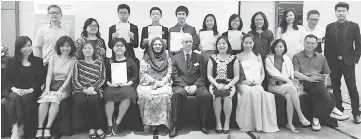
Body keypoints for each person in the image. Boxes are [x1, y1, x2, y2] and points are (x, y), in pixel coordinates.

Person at [293, 34, 350, 131]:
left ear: (316, 45)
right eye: (308, 43)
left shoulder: (321, 57)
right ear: (304, 43)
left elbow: (327, 73)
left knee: (318, 93)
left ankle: (316, 119)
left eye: (312, 43)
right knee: (319, 86)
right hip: (304, 82)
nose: (309, 45)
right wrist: (309, 78)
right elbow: (295, 73)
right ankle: (332, 108)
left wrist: (321, 78)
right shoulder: (297, 56)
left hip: (318, 83)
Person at [324, 2, 361, 124]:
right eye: (338, 11)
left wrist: (355, 59)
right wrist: (327, 64)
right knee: (335, 88)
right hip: (333, 63)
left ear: (347, 12)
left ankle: (356, 113)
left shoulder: (354, 26)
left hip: (348, 63)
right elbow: (327, 47)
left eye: (343, 11)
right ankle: (338, 111)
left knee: (352, 88)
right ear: (335, 12)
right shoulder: (329, 27)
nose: (341, 13)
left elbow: (358, 44)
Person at [169, 33, 212, 138]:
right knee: (177, 94)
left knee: (206, 95)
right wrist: (184, 86)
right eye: (186, 42)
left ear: (193, 43)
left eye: (190, 42)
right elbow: (175, 76)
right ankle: (175, 125)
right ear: (182, 43)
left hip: (197, 85)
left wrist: (195, 86)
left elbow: (202, 75)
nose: (188, 44)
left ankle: (203, 123)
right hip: (180, 85)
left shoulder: (199, 57)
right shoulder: (175, 58)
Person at [235, 34, 279, 132]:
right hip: (243, 83)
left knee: (259, 90)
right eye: (246, 43)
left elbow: (262, 73)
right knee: (249, 92)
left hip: (256, 82)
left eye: (250, 43)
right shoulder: (238, 56)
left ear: (253, 43)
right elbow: (236, 75)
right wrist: (244, 81)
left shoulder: (257, 56)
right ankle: (249, 123)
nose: (248, 45)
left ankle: (259, 124)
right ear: (242, 43)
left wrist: (259, 81)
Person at [265, 39, 310, 133]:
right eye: (276, 46)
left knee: (289, 96)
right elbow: (273, 74)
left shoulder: (287, 58)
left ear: (284, 48)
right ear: (273, 48)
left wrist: (290, 80)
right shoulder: (269, 59)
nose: (278, 49)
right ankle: (300, 115)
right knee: (291, 87)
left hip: (286, 86)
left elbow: (291, 73)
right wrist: (288, 81)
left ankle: (289, 123)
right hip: (273, 86)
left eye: (281, 46)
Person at [5, 36, 45, 139]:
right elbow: (6, 79)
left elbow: (41, 79)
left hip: (31, 90)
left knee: (25, 98)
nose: (28, 48)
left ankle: (21, 127)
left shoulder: (38, 61)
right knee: (15, 97)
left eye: (29, 45)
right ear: (18, 48)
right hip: (14, 89)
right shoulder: (11, 61)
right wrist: (14, 89)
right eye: (24, 46)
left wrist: (31, 89)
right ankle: (16, 128)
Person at [36, 36, 77, 139]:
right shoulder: (53, 57)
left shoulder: (74, 60)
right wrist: (47, 89)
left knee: (55, 99)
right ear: (59, 47)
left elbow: (69, 78)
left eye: (67, 46)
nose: (65, 48)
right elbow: (49, 75)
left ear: (71, 47)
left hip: (65, 86)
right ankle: (40, 128)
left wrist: (60, 90)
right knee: (44, 99)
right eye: (62, 46)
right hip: (52, 84)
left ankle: (48, 128)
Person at [104, 38, 138, 137]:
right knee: (108, 95)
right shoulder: (108, 61)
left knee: (128, 94)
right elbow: (104, 76)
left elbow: (135, 75)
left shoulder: (131, 61)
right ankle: (109, 124)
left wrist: (128, 83)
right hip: (112, 85)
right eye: (117, 45)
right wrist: (109, 84)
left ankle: (117, 123)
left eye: (121, 45)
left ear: (125, 48)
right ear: (113, 48)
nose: (119, 47)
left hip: (126, 85)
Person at [137, 37, 172, 133]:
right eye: (155, 44)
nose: (157, 46)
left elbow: (169, 73)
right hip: (148, 83)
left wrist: (162, 82)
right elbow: (143, 73)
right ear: (151, 46)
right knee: (145, 95)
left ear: (163, 46)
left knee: (164, 95)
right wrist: (153, 81)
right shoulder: (146, 58)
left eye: (159, 44)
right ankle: (147, 123)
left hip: (163, 83)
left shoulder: (167, 58)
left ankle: (160, 122)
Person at [71, 42, 106, 139]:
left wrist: (93, 88)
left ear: (94, 50)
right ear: (82, 50)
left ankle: (98, 127)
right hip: (80, 89)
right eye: (85, 48)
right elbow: (74, 79)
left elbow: (102, 78)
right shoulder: (77, 63)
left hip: (96, 89)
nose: (87, 50)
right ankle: (90, 128)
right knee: (80, 101)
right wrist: (83, 89)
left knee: (93, 100)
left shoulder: (100, 63)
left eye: (89, 48)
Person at [207, 36, 239, 134]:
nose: (221, 45)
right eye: (219, 44)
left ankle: (227, 122)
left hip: (229, 83)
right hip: (215, 83)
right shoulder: (212, 58)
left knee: (227, 97)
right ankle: (218, 122)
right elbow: (209, 75)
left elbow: (236, 77)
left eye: (224, 43)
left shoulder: (234, 58)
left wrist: (228, 85)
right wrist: (216, 84)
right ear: (216, 46)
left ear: (228, 45)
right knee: (216, 96)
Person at [33, 4, 73, 68]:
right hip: (46, 64)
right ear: (48, 15)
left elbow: (71, 48)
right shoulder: (42, 30)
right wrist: (38, 63)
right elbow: (37, 48)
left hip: (64, 64)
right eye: (52, 13)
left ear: (61, 15)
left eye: (57, 12)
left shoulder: (68, 30)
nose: (54, 14)